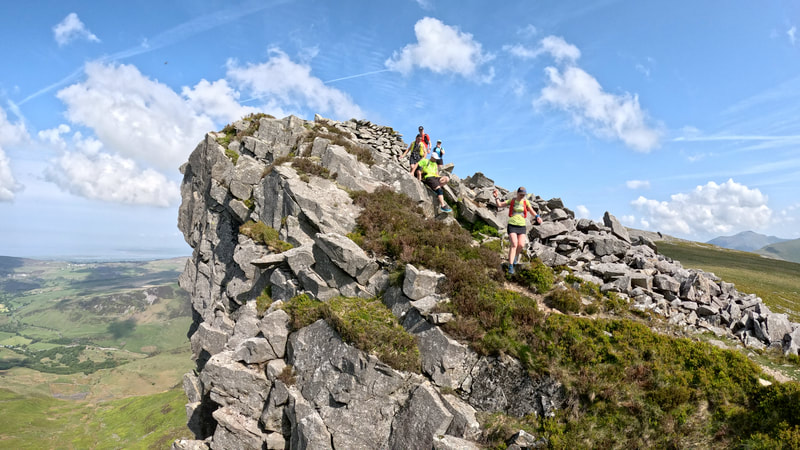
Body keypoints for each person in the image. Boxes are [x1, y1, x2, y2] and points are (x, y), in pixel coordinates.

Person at [493, 187, 542, 274]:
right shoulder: (512, 201)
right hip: (512, 225)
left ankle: (515, 257)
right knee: (514, 244)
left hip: (522, 226)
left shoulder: (525, 202)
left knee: (521, 245)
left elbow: (531, 211)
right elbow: (500, 205)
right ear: (517, 193)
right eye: (521, 195)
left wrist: (537, 217)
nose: (522, 196)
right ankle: (511, 265)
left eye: (524, 195)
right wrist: (496, 197)